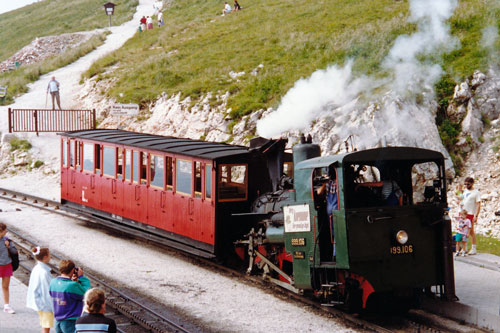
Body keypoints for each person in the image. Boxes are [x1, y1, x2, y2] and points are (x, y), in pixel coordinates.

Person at [49, 260, 91, 333]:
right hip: (70, 321)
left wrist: (73, 282)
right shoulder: (71, 285)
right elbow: (87, 294)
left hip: (58, 320)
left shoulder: (53, 282)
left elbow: (61, 293)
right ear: (72, 270)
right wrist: (81, 277)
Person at [27, 247, 54, 333]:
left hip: (39, 302)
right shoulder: (44, 272)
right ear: (45, 257)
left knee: (45, 325)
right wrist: (52, 306)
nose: (50, 257)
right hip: (45, 304)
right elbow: (46, 291)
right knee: (46, 327)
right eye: (49, 255)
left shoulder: (37, 268)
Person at [459, 177, 480, 255]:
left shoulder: (476, 193)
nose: (467, 185)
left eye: (468, 184)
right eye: (465, 184)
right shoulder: (465, 191)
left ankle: (474, 248)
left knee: (470, 231)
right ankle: (465, 248)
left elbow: (478, 204)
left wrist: (476, 215)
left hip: (470, 213)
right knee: (462, 230)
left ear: (472, 183)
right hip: (463, 213)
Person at [0, 222, 17, 314]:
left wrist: (9, 246)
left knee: (5, 286)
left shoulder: (6, 240)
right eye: (4, 230)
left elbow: (15, 252)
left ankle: (6, 306)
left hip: (6, 265)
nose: (6, 231)